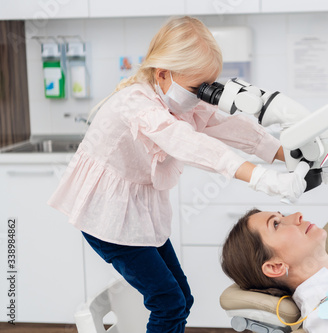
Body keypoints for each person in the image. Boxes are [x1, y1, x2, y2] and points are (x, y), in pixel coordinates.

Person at [48, 16, 307, 333]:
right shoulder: (137, 104)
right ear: (163, 74)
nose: (204, 96)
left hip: (140, 212)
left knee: (182, 298)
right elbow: (188, 142)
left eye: (208, 86)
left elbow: (228, 126)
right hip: (108, 217)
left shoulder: (181, 100)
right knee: (168, 303)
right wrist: (262, 178)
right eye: (198, 87)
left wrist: (289, 154)